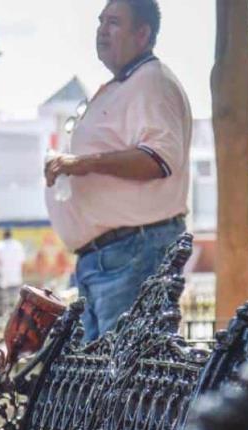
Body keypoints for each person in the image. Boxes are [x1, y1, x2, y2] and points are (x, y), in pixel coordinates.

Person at [44, 0, 192, 342]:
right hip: (108, 258)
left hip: (132, 254)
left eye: (113, 22)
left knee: (125, 382)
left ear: (142, 34)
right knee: (103, 383)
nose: (101, 30)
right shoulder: (124, 84)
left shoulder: (152, 81)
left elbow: (158, 159)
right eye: (100, 21)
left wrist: (81, 164)